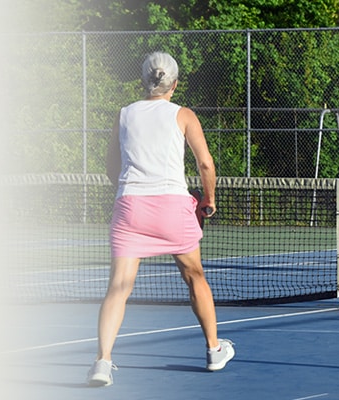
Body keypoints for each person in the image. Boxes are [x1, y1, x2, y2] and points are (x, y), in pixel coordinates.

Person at [87, 51, 233, 387]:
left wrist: (130, 194)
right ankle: (214, 350)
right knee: (195, 275)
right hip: (173, 209)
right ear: (175, 84)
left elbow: (112, 167)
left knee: (118, 287)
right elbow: (206, 165)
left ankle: (102, 363)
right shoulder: (183, 115)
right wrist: (208, 200)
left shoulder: (123, 115)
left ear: (143, 81)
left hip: (130, 208)